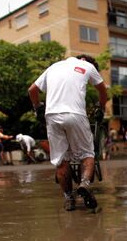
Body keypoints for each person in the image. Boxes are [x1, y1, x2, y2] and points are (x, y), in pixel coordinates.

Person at [28, 54, 108, 211]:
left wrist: (38, 108)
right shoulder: (88, 66)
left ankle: (68, 198)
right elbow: (103, 91)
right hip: (75, 115)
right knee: (87, 154)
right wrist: (101, 107)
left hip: (52, 116)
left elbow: (32, 90)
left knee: (61, 159)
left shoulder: (53, 67)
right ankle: (84, 184)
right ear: (87, 61)